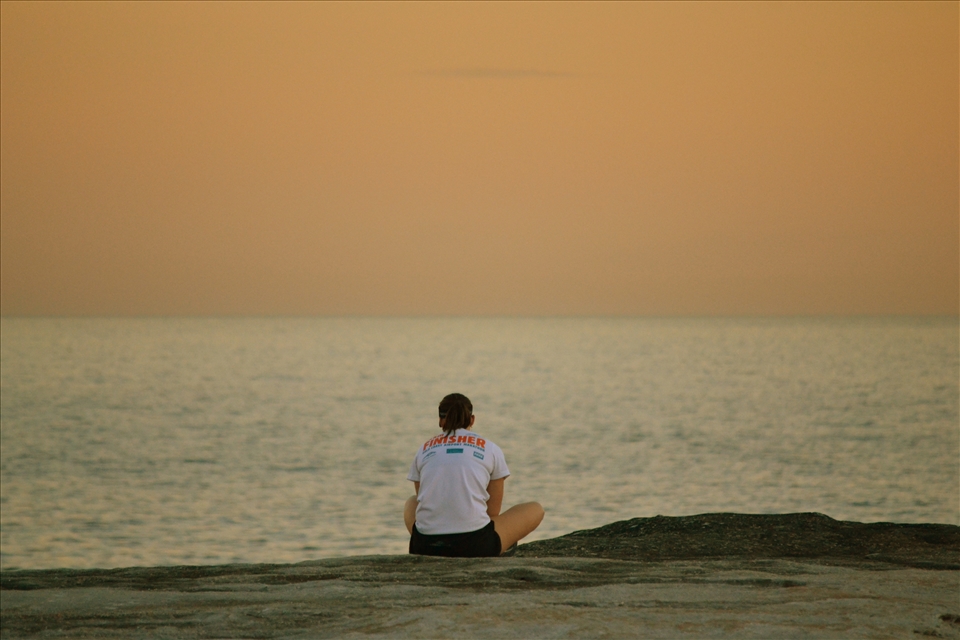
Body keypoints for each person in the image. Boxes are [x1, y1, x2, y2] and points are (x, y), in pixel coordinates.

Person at [404, 393, 544, 557]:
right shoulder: (490, 448)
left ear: (441, 420)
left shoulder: (424, 449)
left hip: (424, 546)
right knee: (536, 509)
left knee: (412, 502)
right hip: (475, 546)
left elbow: (423, 498)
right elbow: (492, 512)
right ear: (472, 420)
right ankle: (502, 545)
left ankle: (436, 540)